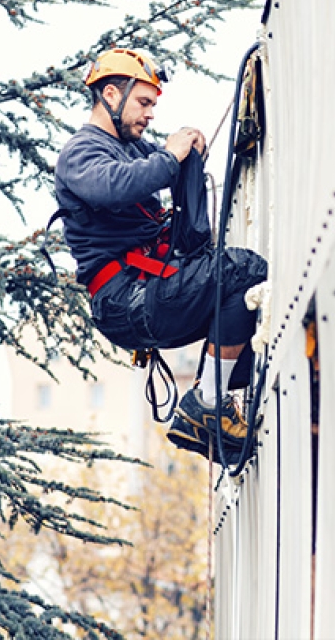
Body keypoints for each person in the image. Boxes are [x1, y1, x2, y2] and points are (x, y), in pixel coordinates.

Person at [53, 47, 268, 461]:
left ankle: (217, 409)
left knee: (238, 291)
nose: (150, 113)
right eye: (144, 102)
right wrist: (172, 157)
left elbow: (156, 165)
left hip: (144, 292)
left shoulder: (131, 147)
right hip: (124, 301)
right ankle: (207, 403)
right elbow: (117, 185)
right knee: (243, 272)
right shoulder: (81, 153)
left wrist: (188, 152)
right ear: (111, 96)